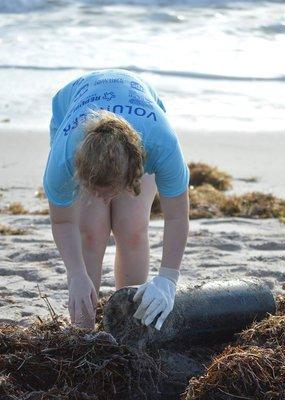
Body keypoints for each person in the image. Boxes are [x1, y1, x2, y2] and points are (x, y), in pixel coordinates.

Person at [43, 68, 190, 331]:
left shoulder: (162, 146)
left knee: (132, 227)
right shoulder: (63, 158)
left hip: (140, 129)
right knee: (91, 232)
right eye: (95, 189)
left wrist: (168, 278)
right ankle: (83, 327)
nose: (102, 198)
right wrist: (75, 274)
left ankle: (128, 323)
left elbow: (177, 216)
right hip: (73, 107)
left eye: (110, 191)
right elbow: (63, 222)